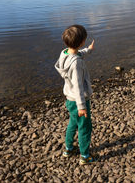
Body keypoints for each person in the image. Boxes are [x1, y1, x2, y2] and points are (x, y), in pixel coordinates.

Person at [55, 24, 97, 165]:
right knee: (85, 127)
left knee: (72, 123)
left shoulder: (65, 53)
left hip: (69, 98)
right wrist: (82, 106)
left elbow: (78, 53)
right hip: (78, 100)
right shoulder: (76, 64)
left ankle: (68, 149)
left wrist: (88, 50)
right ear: (81, 42)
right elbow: (78, 87)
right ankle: (84, 156)